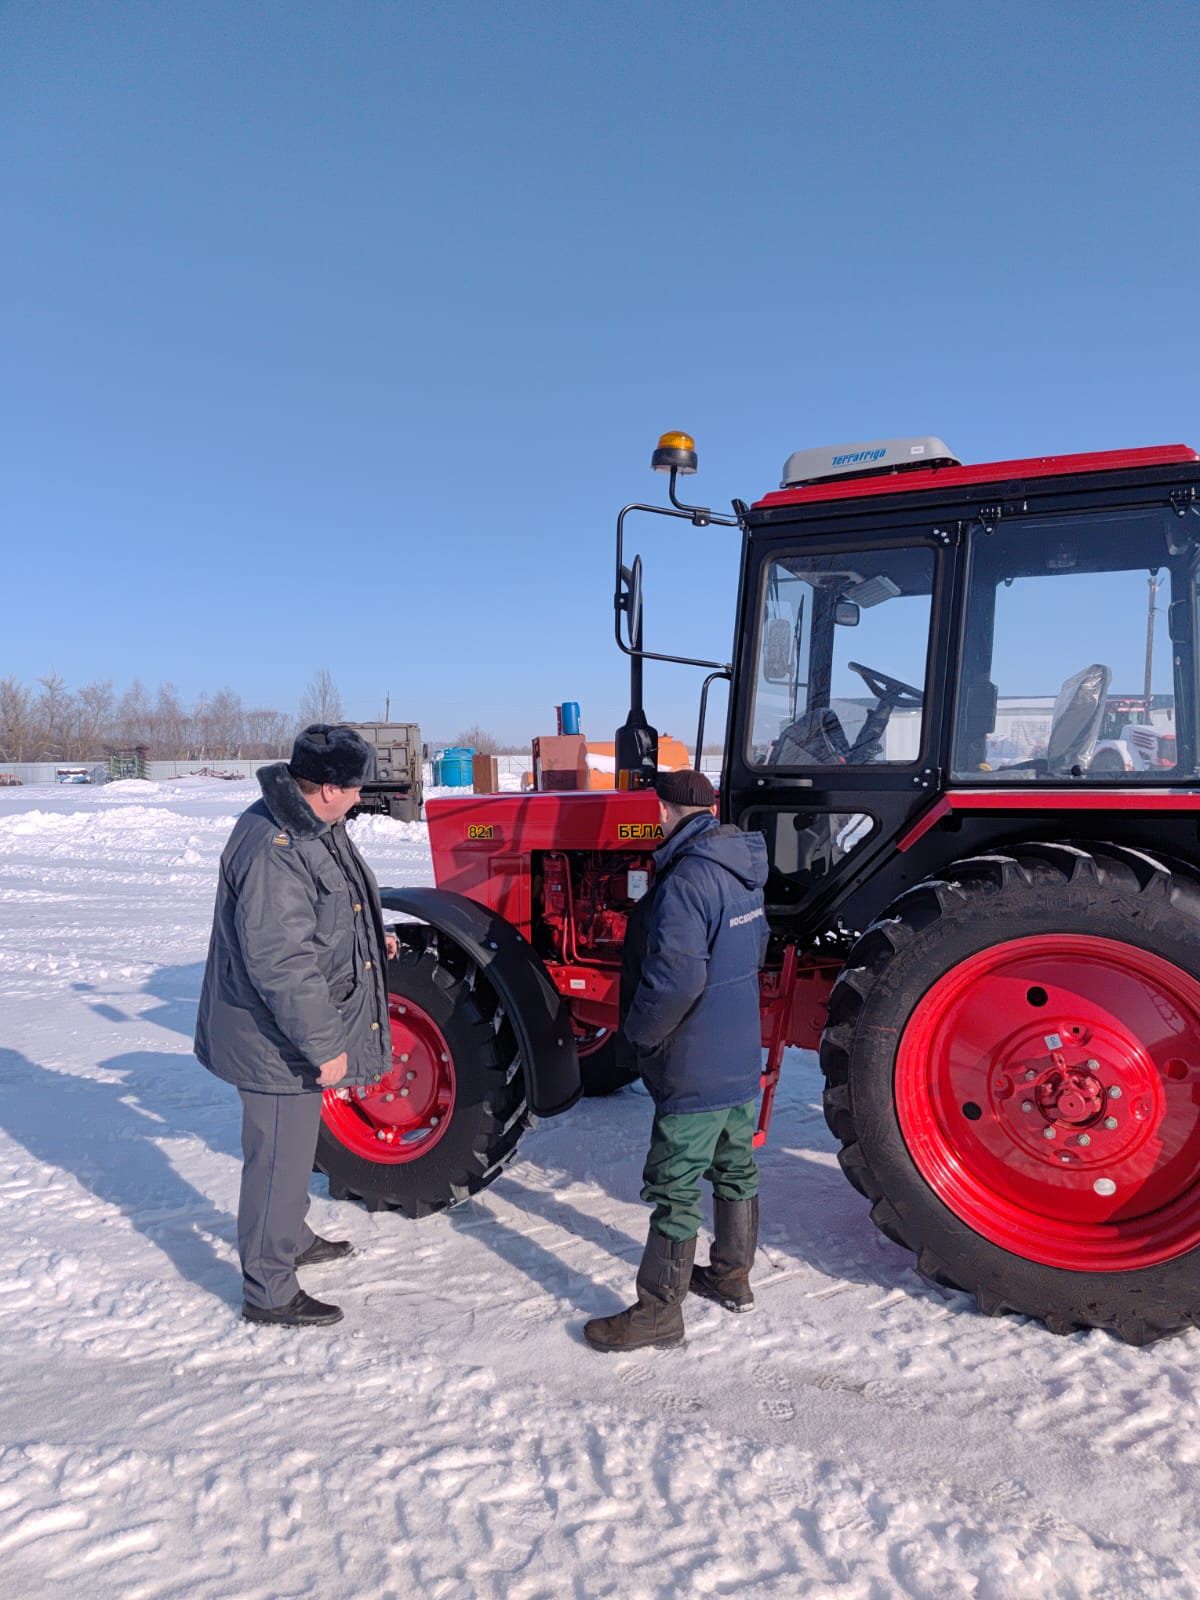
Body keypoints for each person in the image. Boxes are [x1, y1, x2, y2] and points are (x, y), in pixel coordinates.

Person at [195, 724, 396, 1328]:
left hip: (285, 1030)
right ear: (328, 788)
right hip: (272, 1038)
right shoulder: (274, 847)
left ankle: (288, 1233)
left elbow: (326, 915)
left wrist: (367, 941)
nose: (361, 798)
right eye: (356, 787)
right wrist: (326, 1044)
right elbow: (281, 961)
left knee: (295, 1147)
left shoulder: (316, 826)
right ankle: (269, 1286)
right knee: (277, 1157)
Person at [584, 769, 768, 1353]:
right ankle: (733, 1276)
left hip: (694, 1063)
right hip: (739, 1054)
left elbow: (675, 980)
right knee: (736, 1168)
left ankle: (659, 1311)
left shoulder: (687, 880)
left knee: (675, 1185)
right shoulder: (741, 868)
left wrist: (636, 1035)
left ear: (664, 809)